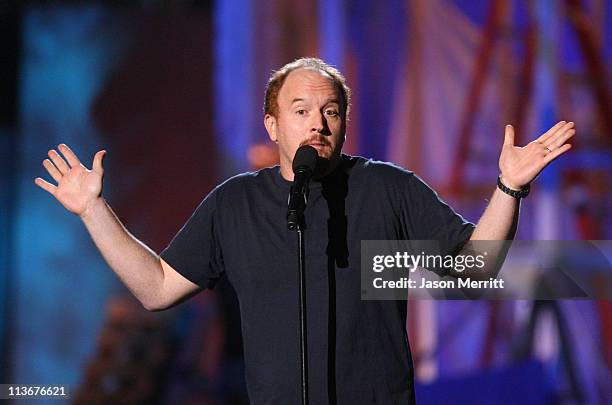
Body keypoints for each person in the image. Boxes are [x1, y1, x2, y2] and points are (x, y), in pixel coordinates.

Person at [35, 57, 575, 404]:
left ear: (343, 122)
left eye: (330, 111)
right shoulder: (235, 203)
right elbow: (156, 288)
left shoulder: (386, 187)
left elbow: (474, 267)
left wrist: (508, 188)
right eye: (300, 110)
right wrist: (93, 211)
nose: (317, 123)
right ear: (273, 125)